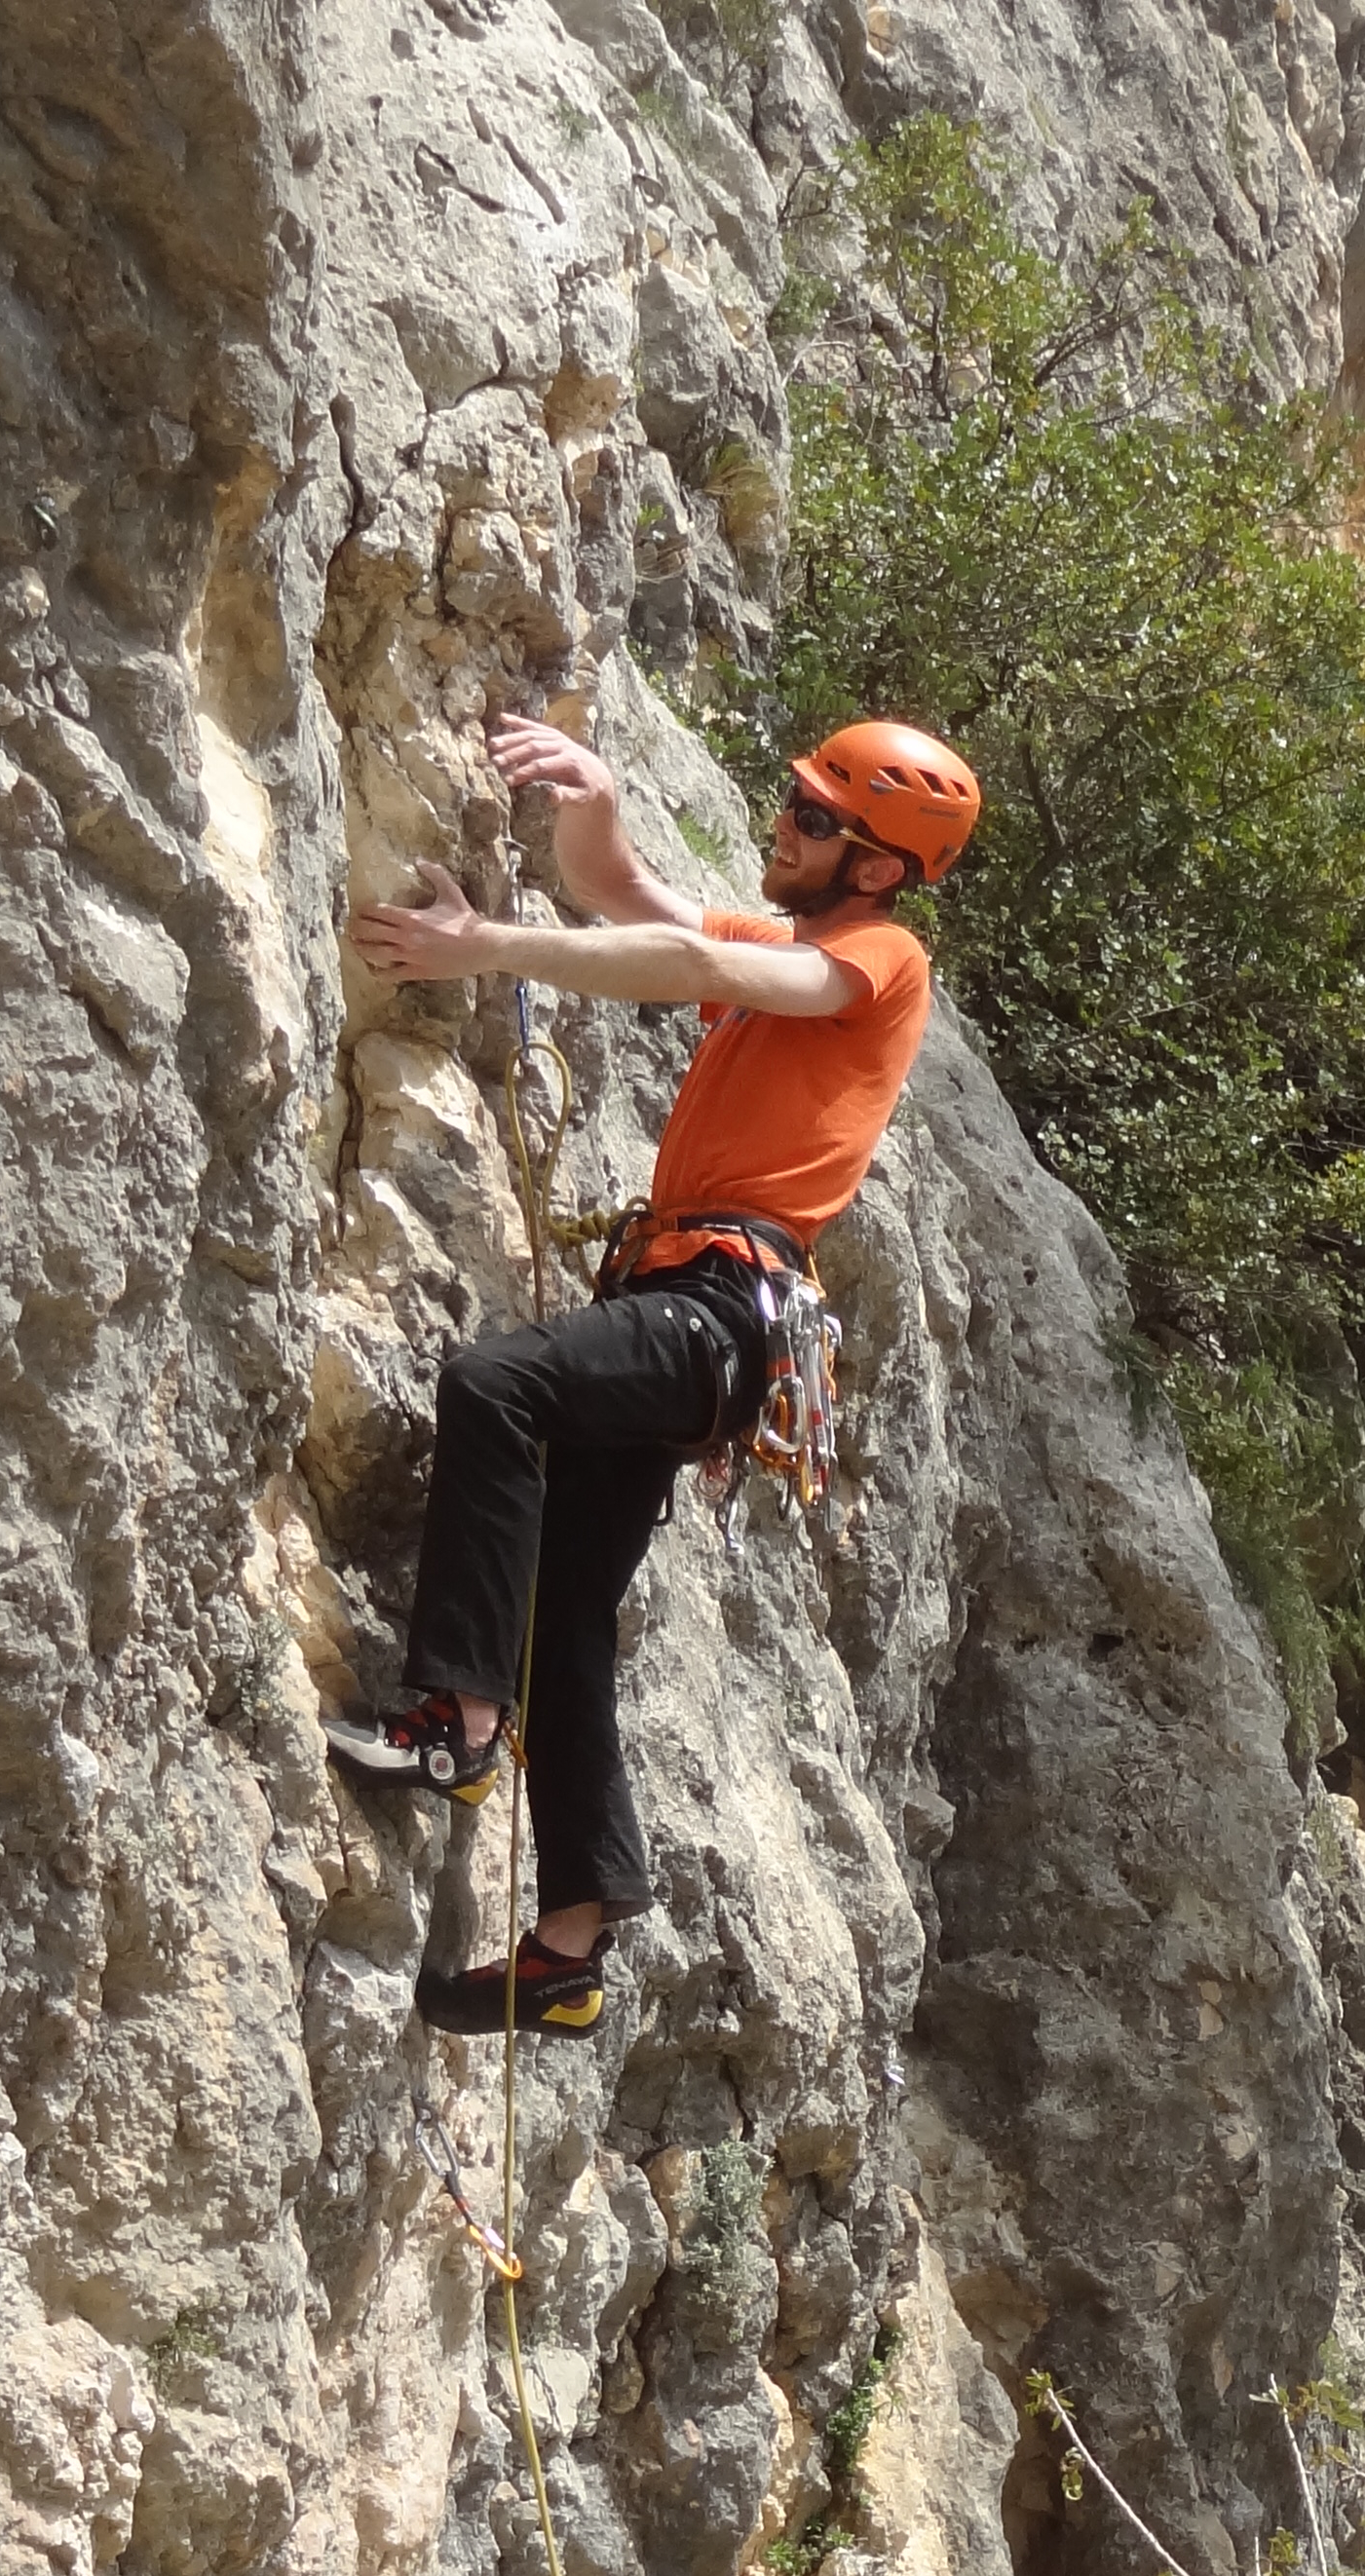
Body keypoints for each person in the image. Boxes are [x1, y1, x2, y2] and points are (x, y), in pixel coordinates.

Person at [327, 711, 979, 2034]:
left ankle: (452, 1719)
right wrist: (597, 800)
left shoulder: (880, 959)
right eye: (791, 801)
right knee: (565, 1602)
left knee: (496, 1384)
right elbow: (633, 902)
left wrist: (486, 949)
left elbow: (681, 951)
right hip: (691, 1309)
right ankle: (569, 1945)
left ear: (873, 868)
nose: (780, 827)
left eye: (812, 819)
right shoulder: (798, 948)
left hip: (715, 1311)